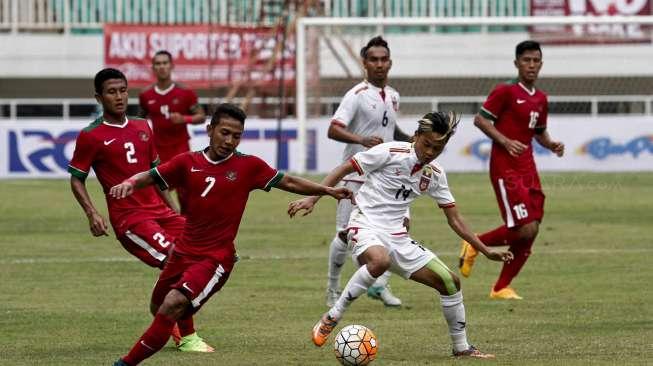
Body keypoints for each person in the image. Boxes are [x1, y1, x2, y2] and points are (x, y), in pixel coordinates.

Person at [110, 103, 352, 366]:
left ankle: (125, 363)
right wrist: (129, 183)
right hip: (181, 252)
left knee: (172, 305)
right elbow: (154, 175)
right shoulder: (187, 162)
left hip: (215, 258)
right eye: (224, 133)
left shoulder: (249, 167)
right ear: (210, 129)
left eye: (236, 136)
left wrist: (327, 191)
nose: (229, 141)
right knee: (158, 307)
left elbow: (290, 181)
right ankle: (177, 339)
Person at [288, 111, 513, 359]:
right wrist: (314, 197)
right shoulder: (390, 152)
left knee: (450, 282)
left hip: (398, 238)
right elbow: (344, 168)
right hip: (364, 225)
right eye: (427, 144)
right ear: (416, 136)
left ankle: (462, 348)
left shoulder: (435, 174)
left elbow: (455, 219)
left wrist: (484, 249)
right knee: (380, 260)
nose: (430, 152)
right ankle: (332, 317)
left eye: (437, 148)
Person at [68, 68, 213, 352]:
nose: (119, 97)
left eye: (122, 90)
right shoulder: (91, 136)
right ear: (98, 97)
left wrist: (175, 213)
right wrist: (92, 213)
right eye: (111, 92)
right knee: (178, 260)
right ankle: (187, 337)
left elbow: (156, 174)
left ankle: (163, 308)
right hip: (130, 219)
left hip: (161, 211)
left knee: (199, 252)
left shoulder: (143, 126)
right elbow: (77, 178)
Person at [458, 40, 565, 300]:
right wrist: (504, 141)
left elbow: (538, 132)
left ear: (541, 64)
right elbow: (480, 119)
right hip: (505, 167)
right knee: (524, 228)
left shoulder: (541, 99)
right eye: (526, 60)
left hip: (528, 166)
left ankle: (500, 287)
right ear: (517, 63)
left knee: (533, 227)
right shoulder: (505, 91)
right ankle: (474, 242)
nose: (531, 65)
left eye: (535, 60)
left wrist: (550, 144)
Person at [325, 35, 412, 308]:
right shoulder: (357, 95)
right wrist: (360, 140)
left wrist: (412, 141)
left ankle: (380, 285)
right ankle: (332, 289)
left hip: (383, 176)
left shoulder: (393, 95)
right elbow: (333, 128)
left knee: (395, 228)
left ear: (390, 62)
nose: (379, 64)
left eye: (383, 59)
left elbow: (391, 130)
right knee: (344, 234)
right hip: (355, 174)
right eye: (373, 60)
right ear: (364, 63)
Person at [139, 50, 206, 213]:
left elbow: (202, 116)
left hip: (181, 150)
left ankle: (187, 229)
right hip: (158, 153)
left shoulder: (186, 92)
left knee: (186, 197)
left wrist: (184, 119)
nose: (162, 67)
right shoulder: (145, 95)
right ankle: (170, 228)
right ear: (153, 68)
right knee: (159, 197)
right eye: (158, 64)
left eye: (165, 63)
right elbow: (140, 121)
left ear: (172, 66)